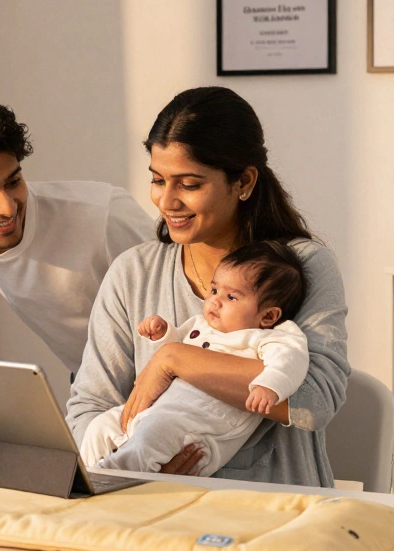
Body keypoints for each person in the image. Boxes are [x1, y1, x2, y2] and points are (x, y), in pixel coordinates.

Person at [66, 86, 349, 486]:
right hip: (147, 504)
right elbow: (89, 407)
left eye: (189, 184)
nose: (167, 201)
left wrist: (173, 359)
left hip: (273, 510)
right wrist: (134, 468)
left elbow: (314, 402)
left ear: (244, 182)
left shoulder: (300, 268)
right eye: (158, 180)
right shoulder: (133, 272)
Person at [0, 90, 156, 374]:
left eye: (13, 182)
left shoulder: (103, 214)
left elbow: (187, 302)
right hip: (91, 377)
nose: (7, 209)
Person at [78, 240, 310, 477]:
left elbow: (291, 361)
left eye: (231, 297)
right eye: (214, 290)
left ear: (269, 315)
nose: (215, 301)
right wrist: (163, 334)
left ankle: (108, 478)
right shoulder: (201, 325)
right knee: (101, 426)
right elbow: (174, 354)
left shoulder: (267, 337)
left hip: (198, 428)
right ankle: (84, 475)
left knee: (153, 435)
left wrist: (269, 386)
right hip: (157, 412)